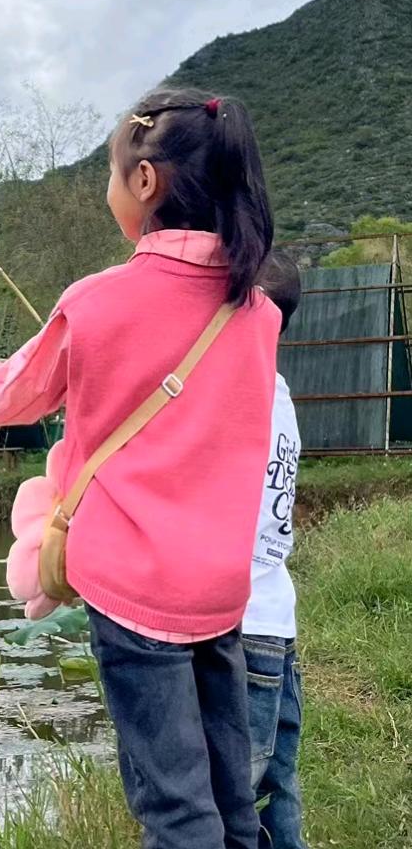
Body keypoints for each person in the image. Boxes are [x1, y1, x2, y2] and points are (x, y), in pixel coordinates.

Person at [0, 89, 280, 849]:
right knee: (230, 799)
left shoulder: (96, 301)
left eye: (113, 173)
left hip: (136, 593)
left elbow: (10, 396)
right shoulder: (257, 312)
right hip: (221, 592)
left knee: (174, 808)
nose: (108, 188)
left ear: (146, 183)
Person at [245, 252, 306, 849]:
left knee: (235, 792)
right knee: (277, 784)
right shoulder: (279, 393)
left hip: (239, 628)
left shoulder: (240, 396)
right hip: (275, 622)